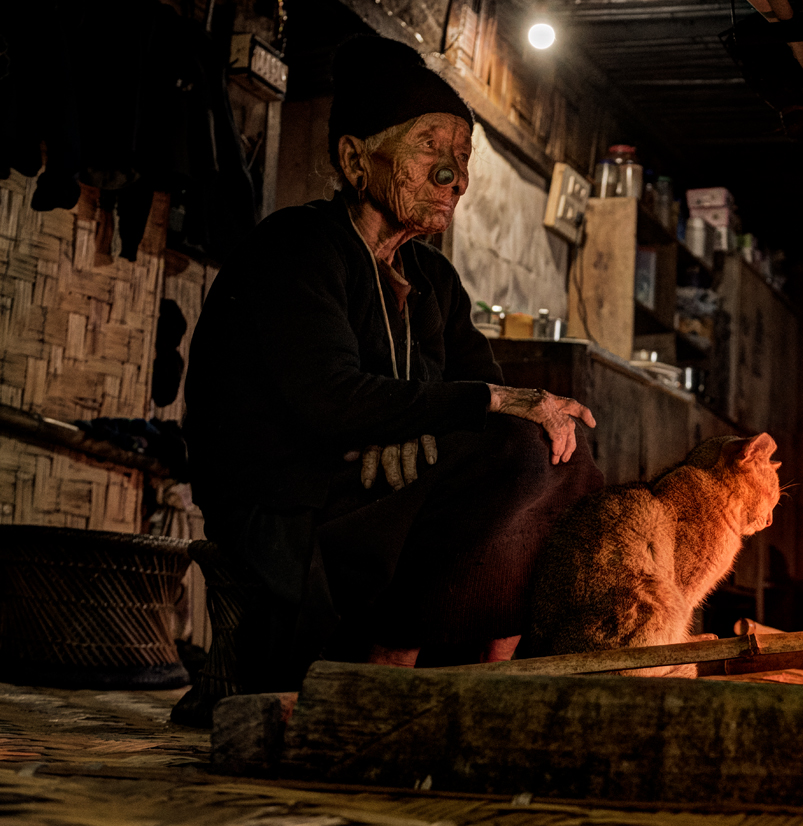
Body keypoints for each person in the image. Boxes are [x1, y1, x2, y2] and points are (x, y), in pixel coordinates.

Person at [183, 36, 602, 692]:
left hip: (386, 490)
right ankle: (387, 664)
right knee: (515, 449)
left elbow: (482, 399)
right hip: (292, 497)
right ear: (356, 158)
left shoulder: (433, 280)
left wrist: (427, 427)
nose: (453, 177)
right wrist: (464, 410)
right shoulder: (296, 247)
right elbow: (331, 401)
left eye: (461, 157)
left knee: (556, 453)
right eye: (430, 148)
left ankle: (494, 676)